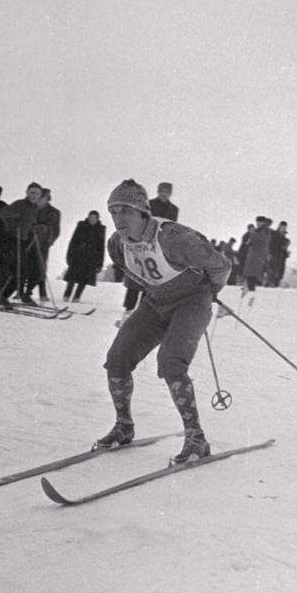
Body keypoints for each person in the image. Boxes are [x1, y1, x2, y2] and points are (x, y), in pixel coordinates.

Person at [97, 178, 231, 464]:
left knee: (171, 361)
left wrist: (210, 292)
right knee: (117, 358)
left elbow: (221, 265)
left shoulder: (172, 236)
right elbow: (134, 274)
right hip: (156, 302)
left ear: (143, 212)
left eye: (125, 211)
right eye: (114, 212)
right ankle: (123, 426)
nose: (118, 219)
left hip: (192, 301)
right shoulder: (116, 244)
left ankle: (196, 438)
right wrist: (156, 290)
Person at [0, 182, 42, 309]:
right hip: (10, 239)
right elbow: (4, 213)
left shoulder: (34, 208)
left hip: (21, 241)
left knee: (19, 272)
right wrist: (14, 218)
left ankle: (2, 296)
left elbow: (29, 223)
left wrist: (37, 228)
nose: (34, 195)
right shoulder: (19, 204)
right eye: (32, 192)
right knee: (1, 267)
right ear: (27, 192)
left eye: (37, 194)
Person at [63, 211, 106, 301]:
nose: (92, 220)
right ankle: (66, 295)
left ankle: (77, 297)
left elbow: (101, 248)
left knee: (84, 279)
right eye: (91, 217)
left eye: (94, 218)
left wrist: (99, 263)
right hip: (77, 256)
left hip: (91, 259)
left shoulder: (100, 230)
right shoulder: (81, 226)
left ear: (97, 219)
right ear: (88, 217)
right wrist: (69, 256)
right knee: (72, 278)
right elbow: (73, 242)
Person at [31, 188, 61, 302]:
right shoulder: (31, 208)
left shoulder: (54, 212)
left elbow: (56, 230)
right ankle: (21, 292)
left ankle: (42, 293)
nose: (40, 201)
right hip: (29, 241)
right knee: (25, 266)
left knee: (40, 267)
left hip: (43, 243)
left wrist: (49, 241)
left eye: (42, 198)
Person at [242, 216, 272, 295]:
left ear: (263, 222)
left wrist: (252, 233)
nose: (258, 224)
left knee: (253, 276)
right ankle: (249, 292)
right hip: (253, 256)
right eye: (257, 222)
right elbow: (250, 241)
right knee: (250, 277)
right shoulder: (258, 230)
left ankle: (251, 295)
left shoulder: (265, 230)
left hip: (257, 257)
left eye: (259, 222)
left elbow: (261, 239)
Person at [266, 221, 290, 287]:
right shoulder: (274, 235)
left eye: (285, 227)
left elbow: (283, 248)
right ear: (279, 226)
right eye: (282, 227)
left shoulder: (284, 237)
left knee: (278, 273)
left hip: (281, 257)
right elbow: (271, 245)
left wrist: (286, 253)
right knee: (272, 271)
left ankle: (275, 284)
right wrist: (270, 253)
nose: (284, 228)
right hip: (274, 255)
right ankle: (269, 284)